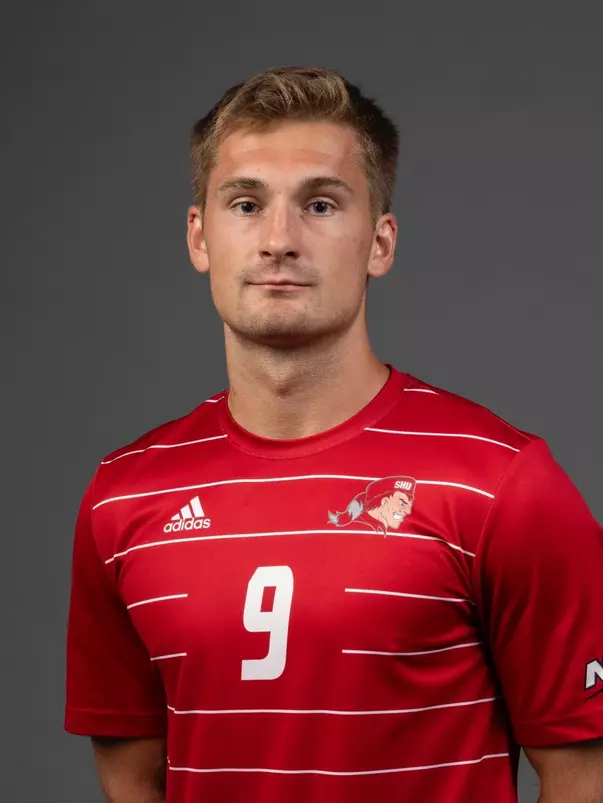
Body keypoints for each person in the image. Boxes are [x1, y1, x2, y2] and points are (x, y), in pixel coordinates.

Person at [64, 66, 603, 803]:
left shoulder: (501, 482)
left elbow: (586, 774)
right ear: (199, 236)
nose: (279, 239)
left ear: (379, 242)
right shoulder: (124, 496)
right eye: (245, 203)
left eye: (319, 203)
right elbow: (133, 777)